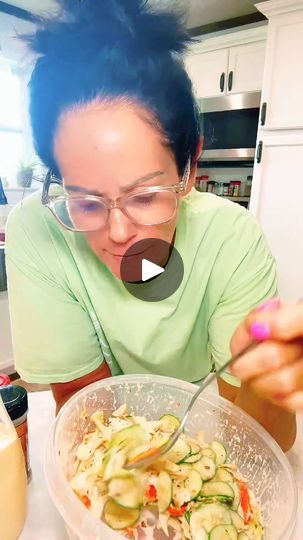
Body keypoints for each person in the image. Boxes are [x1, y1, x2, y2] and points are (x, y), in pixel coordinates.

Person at [5, 0, 295, 450]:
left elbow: (260, 440)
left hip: (208, 433)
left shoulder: (231, 239)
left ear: (190, 166)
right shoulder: (41, 232)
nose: (118, 232)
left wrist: (263, 383)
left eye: (144, 196)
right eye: (85, 201)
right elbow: (84, 411)